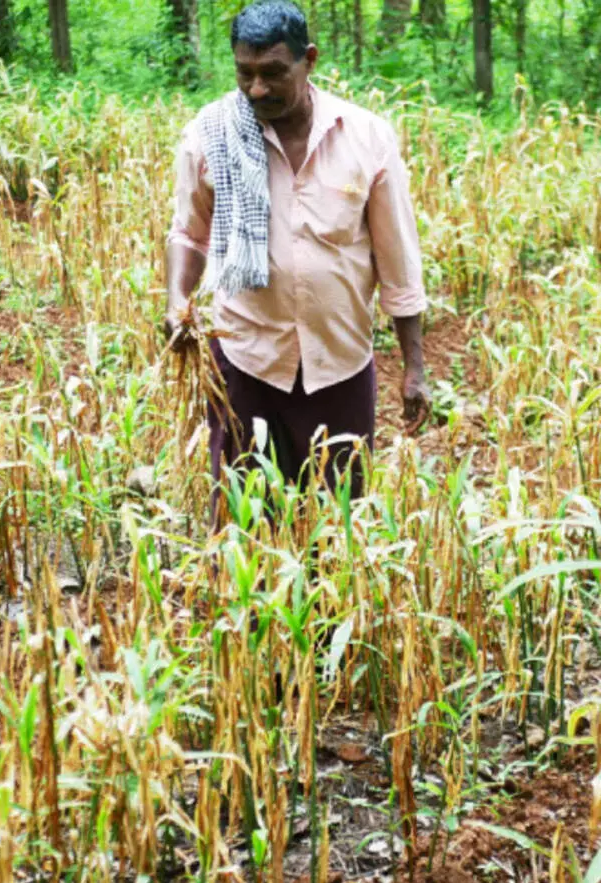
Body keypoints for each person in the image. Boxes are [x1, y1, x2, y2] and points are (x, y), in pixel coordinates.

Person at [162, 0, 430, 521]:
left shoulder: (365, 138)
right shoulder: (210, 134)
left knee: (338, 522)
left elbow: (397, 261)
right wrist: (178, 302)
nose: (257, 89)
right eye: (245, 73)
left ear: (309, 59)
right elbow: (188, 235)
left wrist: (413, 368)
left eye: (273, 73)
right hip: (246, 360)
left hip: (339, 366)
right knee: (245, 521)